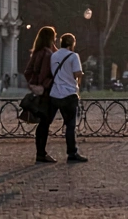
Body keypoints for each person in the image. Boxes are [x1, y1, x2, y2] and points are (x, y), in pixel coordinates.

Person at [44, 33, 88, 163]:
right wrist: (80, 75)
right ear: (72, 43)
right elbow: (77, 73)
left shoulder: (54, 55)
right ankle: (72, 153)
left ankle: (42, 150)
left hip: (55, 93)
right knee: (70, 125)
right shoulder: (74, 56)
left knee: (46, 123)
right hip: (69, 93)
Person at [24, 26, 59, 163]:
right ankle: (41, 153)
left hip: (39, 91)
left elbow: (28, 71)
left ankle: (41, 152)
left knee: (43, 123)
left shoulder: (37, 52)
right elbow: (48, 73)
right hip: (47, 93)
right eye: (54, 36)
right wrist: (43, 86)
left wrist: (33, 84)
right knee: (45, 123)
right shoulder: (48, 54)